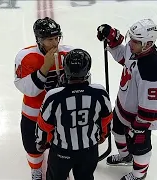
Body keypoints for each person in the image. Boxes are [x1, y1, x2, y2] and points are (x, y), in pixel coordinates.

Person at [96, 19, 157, 180]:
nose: (130, 44)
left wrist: (140, 125)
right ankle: (125, 156)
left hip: (138, 117)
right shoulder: (137, 49)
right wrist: (112, 39)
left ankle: (139, 174)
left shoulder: (152, 68)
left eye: (135, 41)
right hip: (123, 106)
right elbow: (123, 57)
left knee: (140, 146)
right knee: (117, 130)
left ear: (148, 43)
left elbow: (152, 103)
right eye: (131, 39)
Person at [35, 49, 113, 180]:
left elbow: (44, 126)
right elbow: (106, 119)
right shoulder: (100, 92)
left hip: (61, 152)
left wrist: (41, 143)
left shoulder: (54, 96)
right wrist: (103, 135)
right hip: (89, 150)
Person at [14, 17, 73, 180]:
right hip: (33, 113)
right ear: (39, 40)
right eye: (49, 39)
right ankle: (36, 170)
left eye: (56, 38)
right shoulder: (25, 56)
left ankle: (62, 169)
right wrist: (45, 67)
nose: (54, 44)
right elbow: (28, 90)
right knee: (33, 147)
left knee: (62, 146)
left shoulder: (69, 54)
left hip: (60, 114)